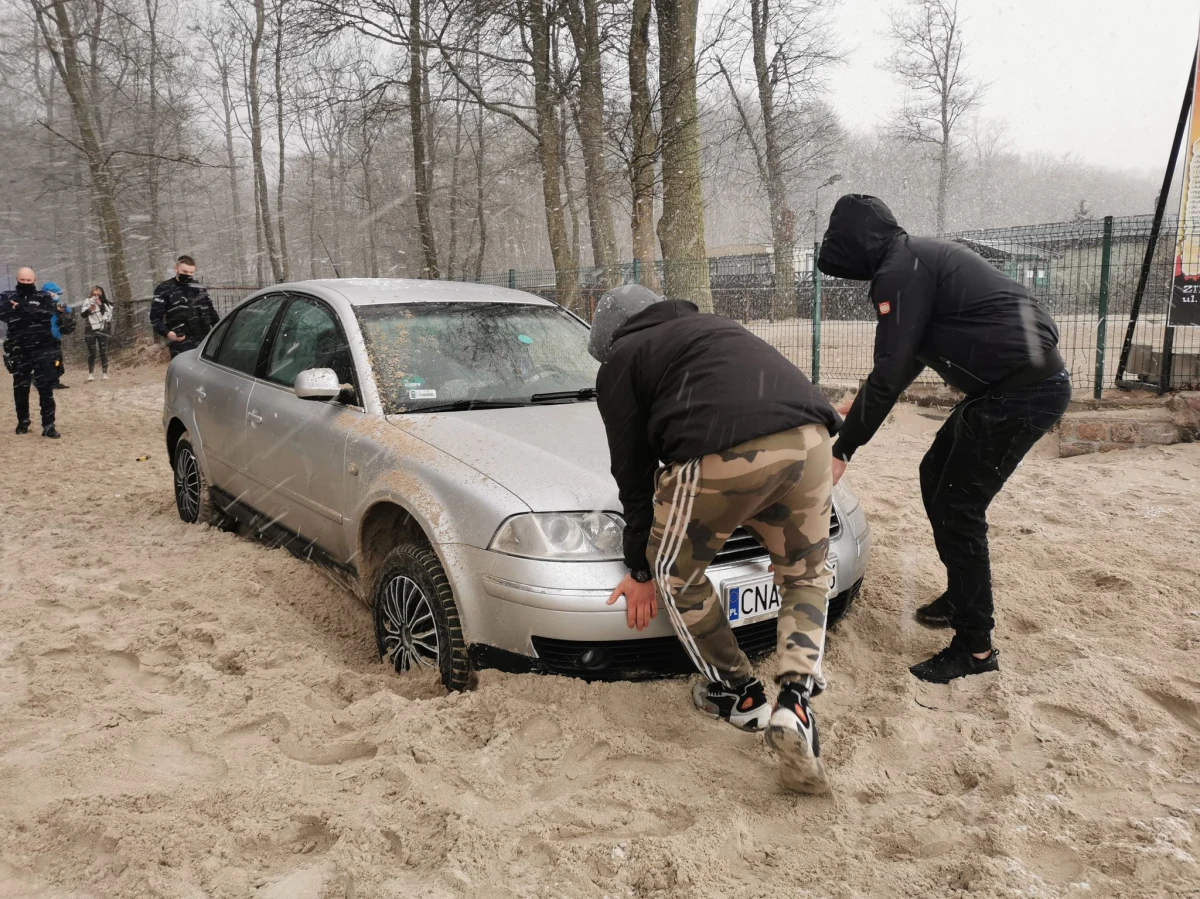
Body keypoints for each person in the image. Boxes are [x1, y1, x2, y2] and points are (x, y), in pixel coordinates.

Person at [592, 284, 842, 794]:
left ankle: (739, 694)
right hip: (811, 439)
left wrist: (642, 569)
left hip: (723, 448)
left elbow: (633, 473)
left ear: (608, 336)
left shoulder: (622, 358)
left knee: (675, 574)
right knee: (804, 572)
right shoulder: (716, 327)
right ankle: (795, 701)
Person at [817, 194, 1072, 684]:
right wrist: (864, 402)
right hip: (1005, 389)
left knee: (960, 508)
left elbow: (893, 368)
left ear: (857, 241)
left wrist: (843, 448)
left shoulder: (900, 269)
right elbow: (907, 357)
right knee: (935, 473)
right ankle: (963, 593)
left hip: (1020, 393)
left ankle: (976, 651)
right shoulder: (913, 258)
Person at [0, 267, 60, 438]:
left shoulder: (43, 297)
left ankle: (49, 425)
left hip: (43, 347)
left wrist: (21, 308)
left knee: (45, 387)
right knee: (20, 387)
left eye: (29, 280)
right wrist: (27, 310)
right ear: (17, 279)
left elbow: (46, 315)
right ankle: (23, 421)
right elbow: (4, 314)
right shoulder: (7, 296)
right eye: (22, 280)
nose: (25, 283)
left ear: (35, 280)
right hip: (19, 348)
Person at [151, 255, 219, 358]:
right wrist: (168, 333)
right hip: (181, 343)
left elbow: (211, 311)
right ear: (176, 269)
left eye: (191, 272)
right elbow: (155, 317)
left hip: (204, 341)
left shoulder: (199, 288)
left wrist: (219, 330)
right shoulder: (165, 288)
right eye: (185, 272)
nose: (188, 275)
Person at [80, 286, 113, 381]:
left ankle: (105, 373)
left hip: (102, 329)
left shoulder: (106, 303)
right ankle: (91, 373)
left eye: (98, 295)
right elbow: (83, 315)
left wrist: (101, 305)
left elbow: (108, 316)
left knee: (103, 351)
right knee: (92, 352)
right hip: (90, 329)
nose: (96, 297)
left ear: (101, 294)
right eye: (94, 294)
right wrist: (89, 310)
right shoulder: (87, 301)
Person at [43, 282, 71, 389]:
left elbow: (68, 310)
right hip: (44, 337)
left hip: (56, 336)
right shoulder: (43, 303)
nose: (56, 295)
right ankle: (44, 380)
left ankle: (55, 380)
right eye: (54, 293)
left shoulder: (57, 302)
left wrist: (60, 307)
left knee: (58, 359)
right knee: (47, 360)